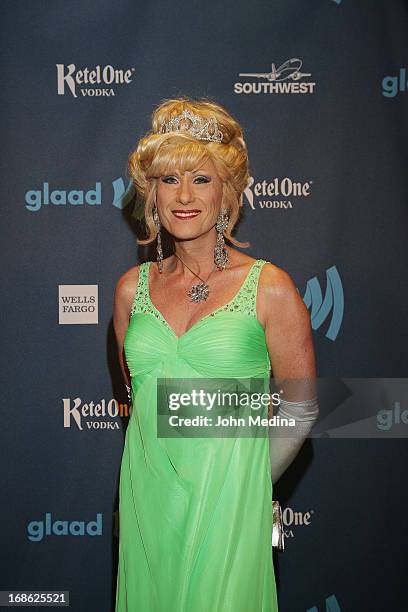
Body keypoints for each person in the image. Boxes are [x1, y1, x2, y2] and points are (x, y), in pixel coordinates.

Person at [113, 97, 317, 612]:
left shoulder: (269, 287)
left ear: (227, 193)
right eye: (168, 179)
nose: (183, 195)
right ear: (150, 194)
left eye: (201, 179)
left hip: (228, 506)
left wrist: (244, 482)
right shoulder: (128, 290)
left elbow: (301, 409)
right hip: (147, 503)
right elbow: (139, 403)